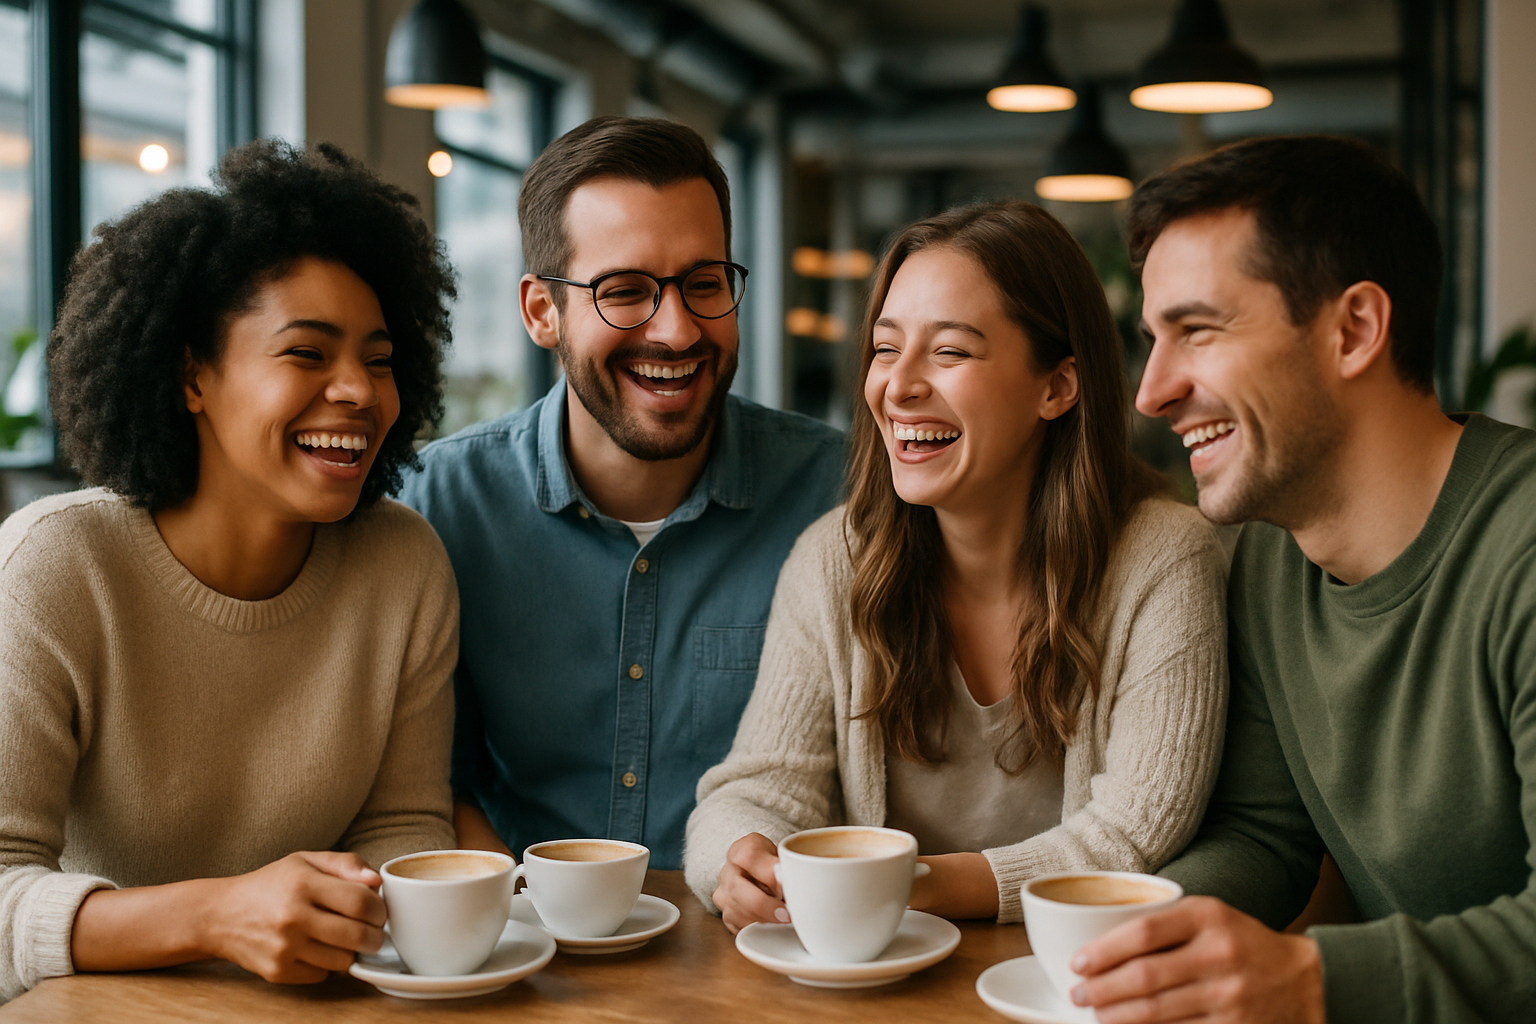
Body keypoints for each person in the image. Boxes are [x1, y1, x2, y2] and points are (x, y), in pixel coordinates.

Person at [1070, 136, 1536, 1023]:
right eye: (1150, 341)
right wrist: (1126, 940)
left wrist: (1312, 980)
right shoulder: (1271, 561)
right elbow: (1260, 836)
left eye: (1197, 330)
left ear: (1353, 329)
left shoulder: (1523, 550)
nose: (1151, 392)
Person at [684, 200, 1229, 927]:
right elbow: (757, 790)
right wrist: (744, 857)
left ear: (1057, 387)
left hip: (1070, 982)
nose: (899, 385)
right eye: (885, 349)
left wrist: (908, 885)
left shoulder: (1163, 558)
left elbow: (1133, 833)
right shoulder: (833, 559)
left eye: (949, 352)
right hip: (875, 983)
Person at [0, 140, 460, 1000]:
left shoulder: (404, 565)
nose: (360, 390)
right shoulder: (55, 568)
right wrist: (215, 916)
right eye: (307, 353)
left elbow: (402, 823)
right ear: (192, 377)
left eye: (380, 357)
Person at [399, 116, 844, 871]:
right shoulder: (437, 507)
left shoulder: (842, 494)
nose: (675, 331)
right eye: (625, 291)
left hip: (763, 953)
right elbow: (421, 782)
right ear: (543, 311)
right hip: (521, 950)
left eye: (705, 284)